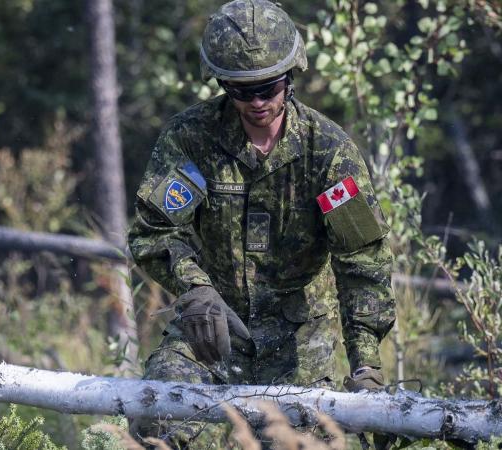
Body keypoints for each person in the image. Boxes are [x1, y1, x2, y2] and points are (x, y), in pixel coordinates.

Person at [127, 0, 395, 446]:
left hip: (297, 342)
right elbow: (155, 232)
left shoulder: (327, 153)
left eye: (268, 87)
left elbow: (361, 261)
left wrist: (366, 365)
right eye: (239, 89)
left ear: (291, 75)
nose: (256, 102)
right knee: (155, 420)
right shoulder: (191, 139)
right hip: (209, 329)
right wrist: (194, 289)